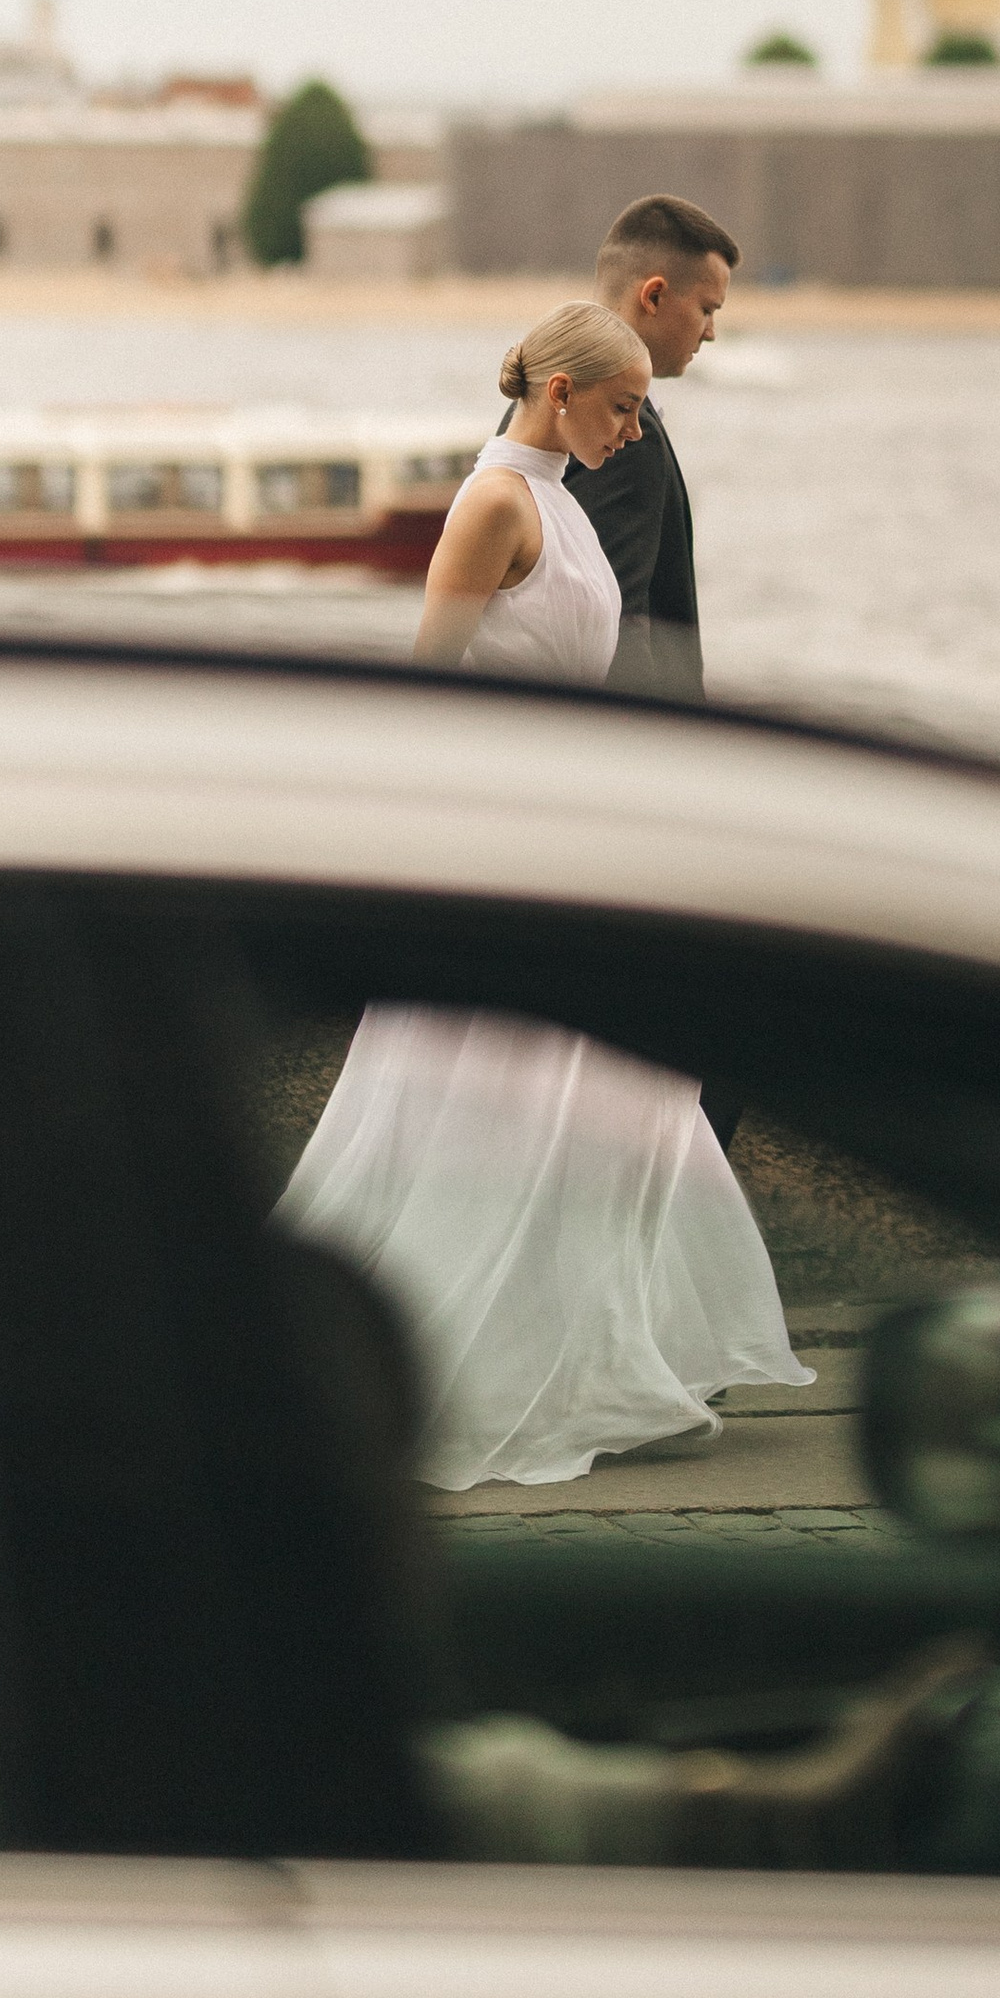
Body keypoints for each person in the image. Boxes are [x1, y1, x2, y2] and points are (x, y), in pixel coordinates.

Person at [279, 300, 811, 1486]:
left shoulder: (559, 502)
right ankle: (504, 1364)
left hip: (568, 824)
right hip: (509, 834)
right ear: (559, 393)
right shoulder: (493, 503)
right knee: (519, 1095)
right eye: (622, 408)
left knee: (601, 1093)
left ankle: (594, 1358)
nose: (634, 430)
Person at [563, 192, 739, 702]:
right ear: (654, 295)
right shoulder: (621, 435)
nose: (711, 333)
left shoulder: (554, 400)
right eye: (707, 308)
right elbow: (615, 621)